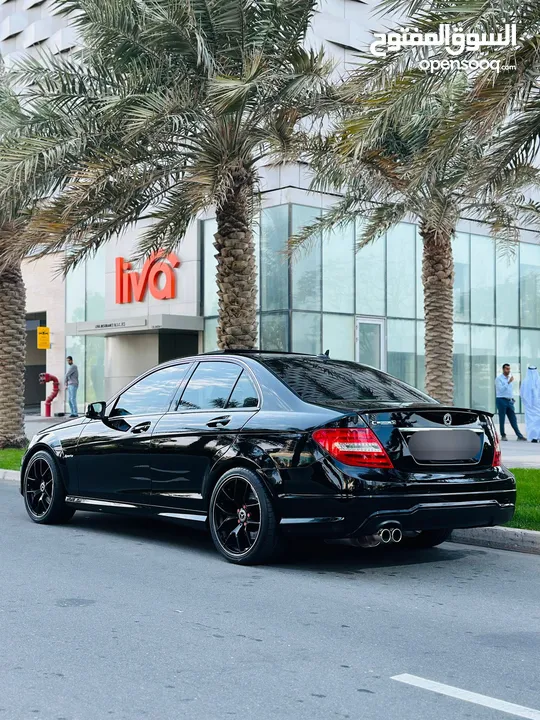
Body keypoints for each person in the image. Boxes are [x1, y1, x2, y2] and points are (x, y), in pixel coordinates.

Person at [495, 363, 526, 441]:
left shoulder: (510, 378)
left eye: (509, 369)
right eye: (507, 369)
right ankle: (503, 435)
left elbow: (510, 390)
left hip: (509, 401)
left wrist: (512, 398)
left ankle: (519, 435)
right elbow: (501, 389)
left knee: (513, 418)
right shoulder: (499, 379)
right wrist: (508, 382)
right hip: (501, 400)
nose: (508, 370)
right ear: (503, 369)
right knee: (502, 418)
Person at [520, 366, 540, 443]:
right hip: (532, 406)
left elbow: (522, 394)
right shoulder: (526, 382)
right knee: (535, 421)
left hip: (534, 406)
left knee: (532, 421)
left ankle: (534, 436)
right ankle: (535, 436)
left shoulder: (525, 382)